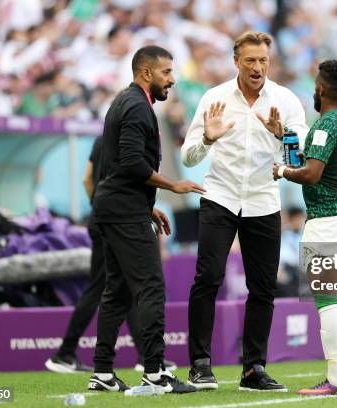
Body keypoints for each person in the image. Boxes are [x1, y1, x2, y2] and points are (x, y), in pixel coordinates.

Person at [181, 31, 307, 392]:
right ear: (236, 61)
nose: (257, 67)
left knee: (263, 287)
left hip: (263, 200)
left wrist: (285, 137)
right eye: (250, 60)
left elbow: (297, 164)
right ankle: (200, 365)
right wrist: (207, 137)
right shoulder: (215, 97)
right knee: (207, 278)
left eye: (263, 60)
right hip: (219, 195)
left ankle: (253, 368)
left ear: (270, 62)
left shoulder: (285, 100)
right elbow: (188, 155)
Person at [88, 45, 204, 394]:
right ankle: (155, 372)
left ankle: (103, 373)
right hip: (122, 210)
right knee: (151, 287)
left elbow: (115, 167)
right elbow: (132, 165)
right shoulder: (138, 106)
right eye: (167, 72)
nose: (172, 79)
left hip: (115, 206)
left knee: (118, 292)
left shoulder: (124, 101)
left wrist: (146, 205)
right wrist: (173, 184)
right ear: (146, 73)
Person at [272, 60, 337, 395]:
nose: (314, 87)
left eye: (315, 83)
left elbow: (310, 174)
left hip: (326, 219)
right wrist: (285, 140)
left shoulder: (325, 126)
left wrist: (282, 171)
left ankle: (335, 380)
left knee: (326, 299)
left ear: (322, 88)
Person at [45, 137, 176, 374]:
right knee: (102, 288)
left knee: (122, 288)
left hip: (106, 216)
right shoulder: (129, 143)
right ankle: (65, 353)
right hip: (115, 218)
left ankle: (143, 356)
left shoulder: (102, 141)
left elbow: (87, 179)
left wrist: (97, 206)